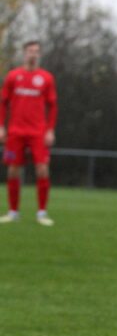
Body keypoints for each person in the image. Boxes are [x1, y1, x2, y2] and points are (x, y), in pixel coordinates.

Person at [0, 41, 58, 226]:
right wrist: (1, 126)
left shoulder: (46, 78)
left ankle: (42, 213)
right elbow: (3, 102)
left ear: (40, 55)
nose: (33, 54)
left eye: (36, 51)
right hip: (16, 131)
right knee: (13, 170)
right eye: (30, 51)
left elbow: (53, 105)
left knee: (42, 169)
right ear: (24, 53)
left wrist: (50, 129)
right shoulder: (13, 76)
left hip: (37, 132)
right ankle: (13, 212)